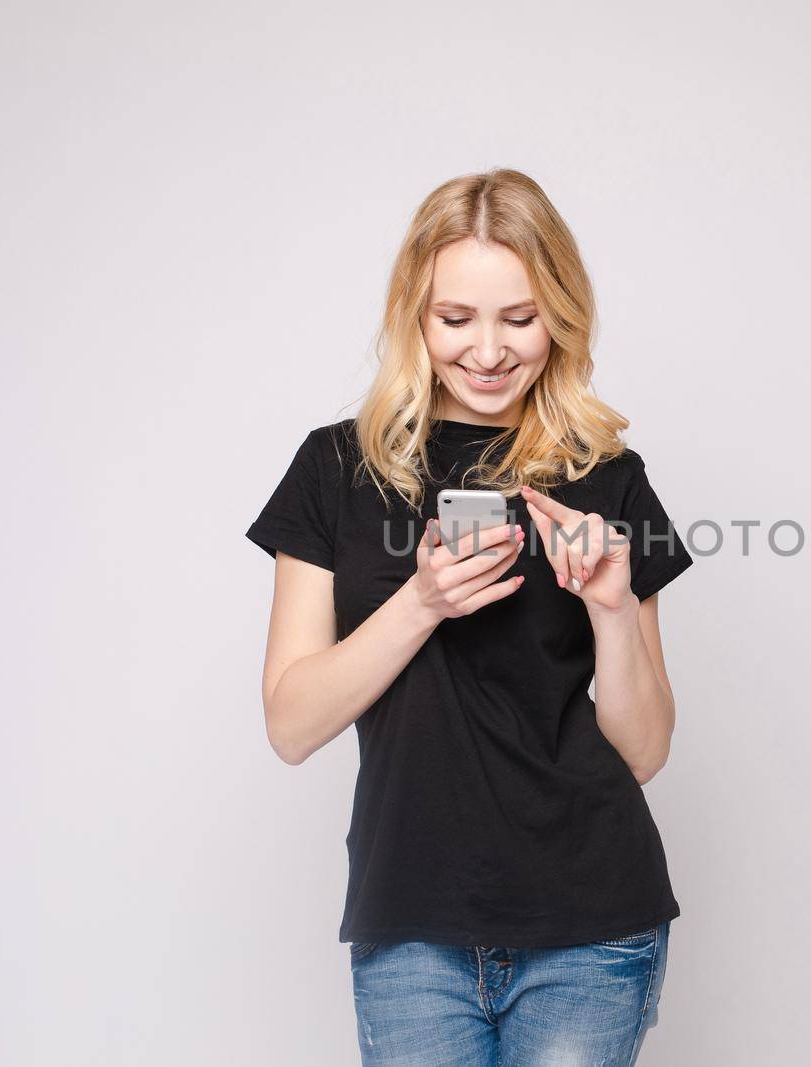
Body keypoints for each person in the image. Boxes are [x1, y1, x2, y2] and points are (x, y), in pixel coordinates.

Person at [245, 168, 695, 1066]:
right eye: (457, 319)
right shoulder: (335, 470)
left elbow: (644, 749)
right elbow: (292, 725)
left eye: (519, 319)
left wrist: (610, 607)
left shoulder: (610, 478)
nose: (488, 351)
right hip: (411, 922)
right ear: (415, 314)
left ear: (559, 316)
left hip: (592, 922)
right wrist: (421, 602)